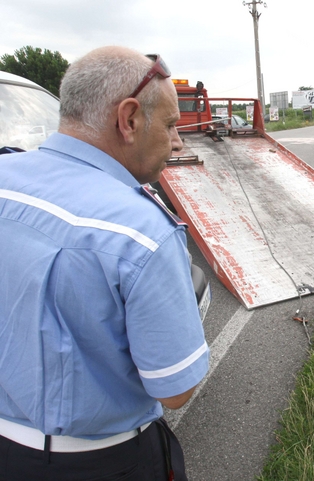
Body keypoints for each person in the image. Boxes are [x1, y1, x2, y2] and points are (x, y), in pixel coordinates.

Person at [0, 46, 209, 480]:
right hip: (99, 460)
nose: (177, 141)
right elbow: (175, 389)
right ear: (129, 119)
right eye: (171, 125)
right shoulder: (143, 232)